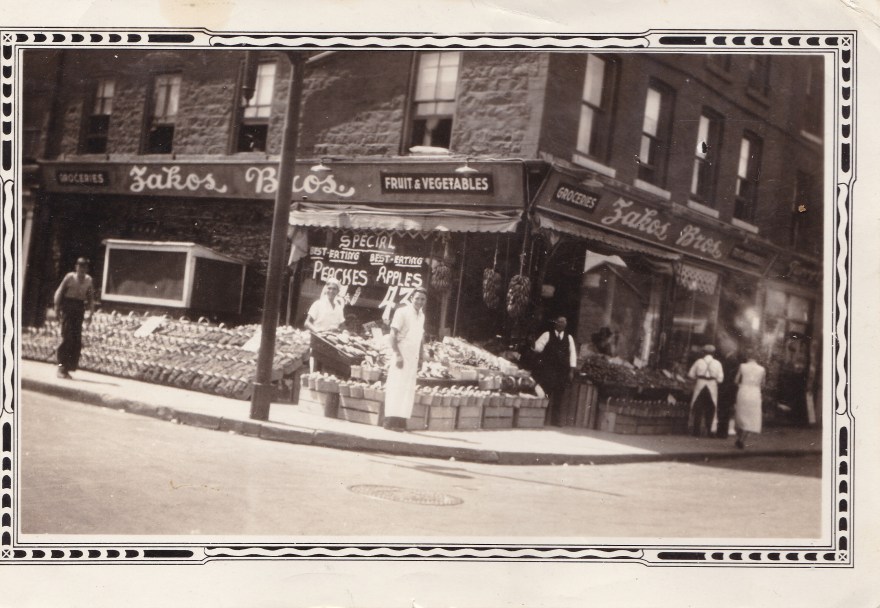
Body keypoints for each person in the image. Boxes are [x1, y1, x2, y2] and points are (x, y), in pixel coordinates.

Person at [383, 288, 427, 432]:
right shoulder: (402, 312)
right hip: (401, 353)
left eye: (422, 299)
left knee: (408, 388)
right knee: (396, 386)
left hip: (412, 356)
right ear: (411, 298)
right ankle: (389, 421)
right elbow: (392, 336)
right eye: (417, 298)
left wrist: (421, 356)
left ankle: (401, 421)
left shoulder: (421, 316)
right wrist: (398, 355)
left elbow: (420, 338)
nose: (419, 302)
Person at [53, 257, 96, 379]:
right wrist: (56, 309)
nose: (82, 269)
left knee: (76, 339)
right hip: (68, 307)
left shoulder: (88, 280)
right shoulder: (69, 277)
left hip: (79, 309)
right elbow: (59, 292)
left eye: (85, 266)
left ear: (87, 268)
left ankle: (68, 368)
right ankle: (61, 367)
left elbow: (91, 298)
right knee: (67, 337)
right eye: (80, 266)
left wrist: (90, 314)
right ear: (76, 267)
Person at [533, 316, 577, 427]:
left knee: (559, 396)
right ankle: (542, 418)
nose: (561, 324)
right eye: (559, 322)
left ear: (566, 325)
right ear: (555, 323)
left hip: (562, 371)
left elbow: (573, 354)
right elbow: (538, 348)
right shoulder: (547, 335)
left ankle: (555, 421)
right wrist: (533, 344)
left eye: (563, 322)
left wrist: (571, 371)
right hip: (548, 370)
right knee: (545, 393)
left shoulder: (569, 338)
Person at [687, 344, 724, 437]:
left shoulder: (698, 361)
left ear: (703, 352)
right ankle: (710, 431)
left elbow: (690, 374)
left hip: (700, 384)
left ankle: (696, 431)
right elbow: (720, 379)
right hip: (712, 386)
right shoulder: (717, 363)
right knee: (711, 409)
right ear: (713, 353)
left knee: (698, 408)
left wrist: (698, 377)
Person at [733, 350, 766, 449]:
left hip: (743, 391)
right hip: (755, 393)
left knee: (740, 415)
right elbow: (763, 385)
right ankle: (742, 440)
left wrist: (742, 385)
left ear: (748, 357)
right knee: (752, 417)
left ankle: (739, 437)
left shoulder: (742, 366)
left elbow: (735, 380)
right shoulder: (762, 369)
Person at [714, 346, 741, 439]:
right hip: (730, 390)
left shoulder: (730, 360)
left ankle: (721, 432)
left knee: (723, 410)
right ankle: (722, 432)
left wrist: (722, 387)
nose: (722, 349)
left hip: (726, 389)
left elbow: (727, 376)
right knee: (725, 411)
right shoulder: (732, 360)